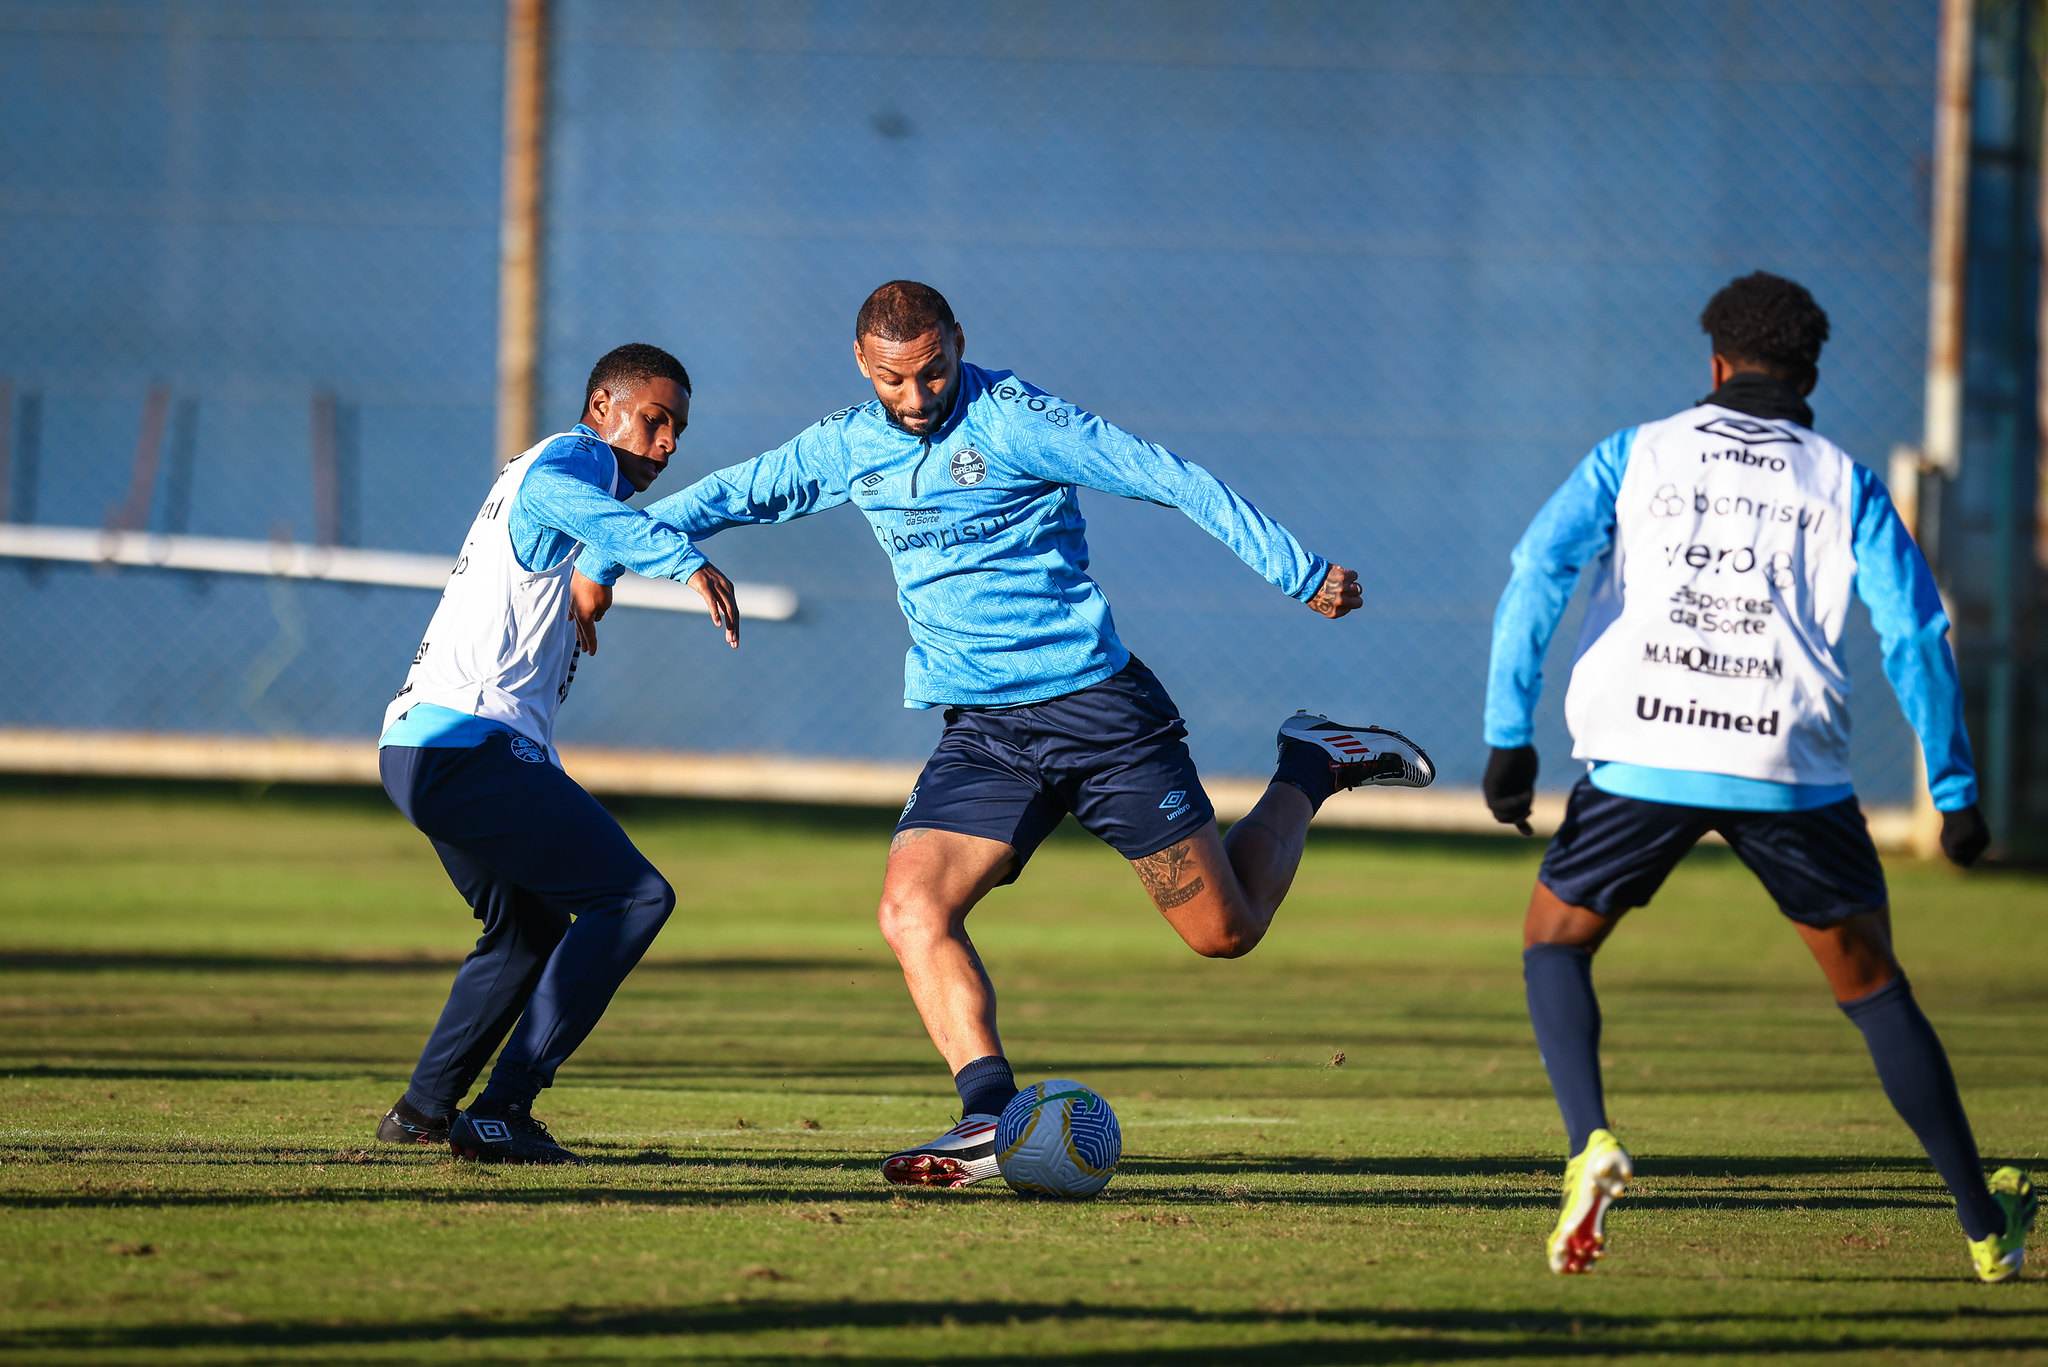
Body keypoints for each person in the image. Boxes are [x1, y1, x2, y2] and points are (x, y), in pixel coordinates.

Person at [574, 281, 1433, 1186]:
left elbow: (1170, 476)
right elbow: (723, 496)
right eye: (893, 382)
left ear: (958, 345)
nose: (917, 400)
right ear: (863, 367)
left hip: (1101, 716)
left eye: (934, 373)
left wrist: (1297, 571)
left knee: (1225, 933)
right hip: (986, 734)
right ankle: (986, 1115)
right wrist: (600, 556)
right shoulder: (844, 446)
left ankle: (1309, 765)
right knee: (911, 909)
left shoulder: (1020, 420)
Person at [1481, 271, 2034, 1281]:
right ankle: (1981, 1223)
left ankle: (1589, 1141)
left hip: (1643, 743)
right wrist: (1951, 793)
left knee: (1552, 945)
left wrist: (1505, 732)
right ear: (1808, 373)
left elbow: (1536, 571)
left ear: (1715, 364)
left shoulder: (1633, 452)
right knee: (1871, 990)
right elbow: (1911, 629)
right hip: (1785, 762)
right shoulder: (1843, 479)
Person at [374, 343, 740, 1165]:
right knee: (635, 897)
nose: (667, 442)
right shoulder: (575, 457)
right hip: (469, 747)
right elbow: (558, 496)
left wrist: (591, 568)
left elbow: (556, 520)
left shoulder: (564, 479)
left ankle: (422, 1110)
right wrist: (682, 562)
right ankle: (502, 1109)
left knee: (527, 928)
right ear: (603, 407)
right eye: (654, 420)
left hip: (418, 746)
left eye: (677, 427)